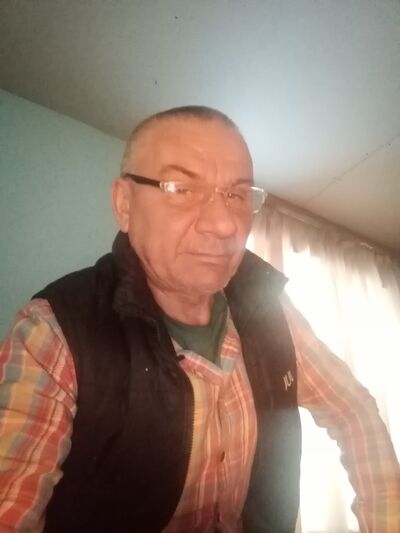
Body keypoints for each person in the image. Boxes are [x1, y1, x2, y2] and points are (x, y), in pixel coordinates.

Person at [0, 106, 399, 533]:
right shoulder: (55, 331)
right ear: (124, 204)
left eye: (237, 195)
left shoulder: (273, 314)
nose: (225, 225)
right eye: (182, 188)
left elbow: (354, 411)